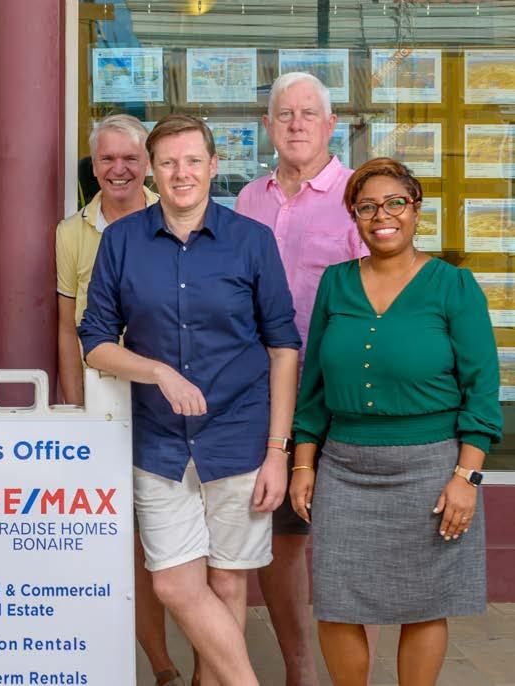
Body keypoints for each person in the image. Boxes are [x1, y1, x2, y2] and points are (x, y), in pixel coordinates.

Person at [79, 114, 301, 686]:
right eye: (169, 162)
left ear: (213, 166)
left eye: (193, 161)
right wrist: (157, 372)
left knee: (227, 580)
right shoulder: (122, 241)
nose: (182, 173)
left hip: (240, 435)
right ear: (152, 171)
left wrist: (277, 451)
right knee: (175, 583)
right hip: (159, 441)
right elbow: (95, 342)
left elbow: (282, 347)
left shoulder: (252, 240)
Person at [290, 157, 502, 686]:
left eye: (394, 203)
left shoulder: (454, 286)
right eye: (366, 207)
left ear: (416, 209)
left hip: (432, 471)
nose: (381, 216)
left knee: (424, 601)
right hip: (344, 468)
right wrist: (303, 464)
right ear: (354, 218)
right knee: (337, 601)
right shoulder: (336, 283)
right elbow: (312, 386)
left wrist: (467, 477)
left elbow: (481, 391)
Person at [235, 71, 368, 686]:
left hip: (342, 395)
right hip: (267, 396)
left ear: (331, 124)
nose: (295, 124)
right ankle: (300, 670)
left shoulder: (358, 196)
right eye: (284, 114)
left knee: (347, 542)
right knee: (281, 538)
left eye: (308, 113)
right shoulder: (248, 199)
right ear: (267, 125)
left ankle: (350, 672)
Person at [55, 114, 184, 686]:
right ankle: (160, 664)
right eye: (107, 158)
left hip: (169, 396)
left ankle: (206, 662)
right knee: (123, 539)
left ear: (148, 164)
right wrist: (74, 403)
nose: (119, 169)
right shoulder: (72, 232)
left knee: (177, 539)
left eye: (131, 158)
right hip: (103, 398)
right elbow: (67, 328)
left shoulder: (175, 216)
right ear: (94, 165)